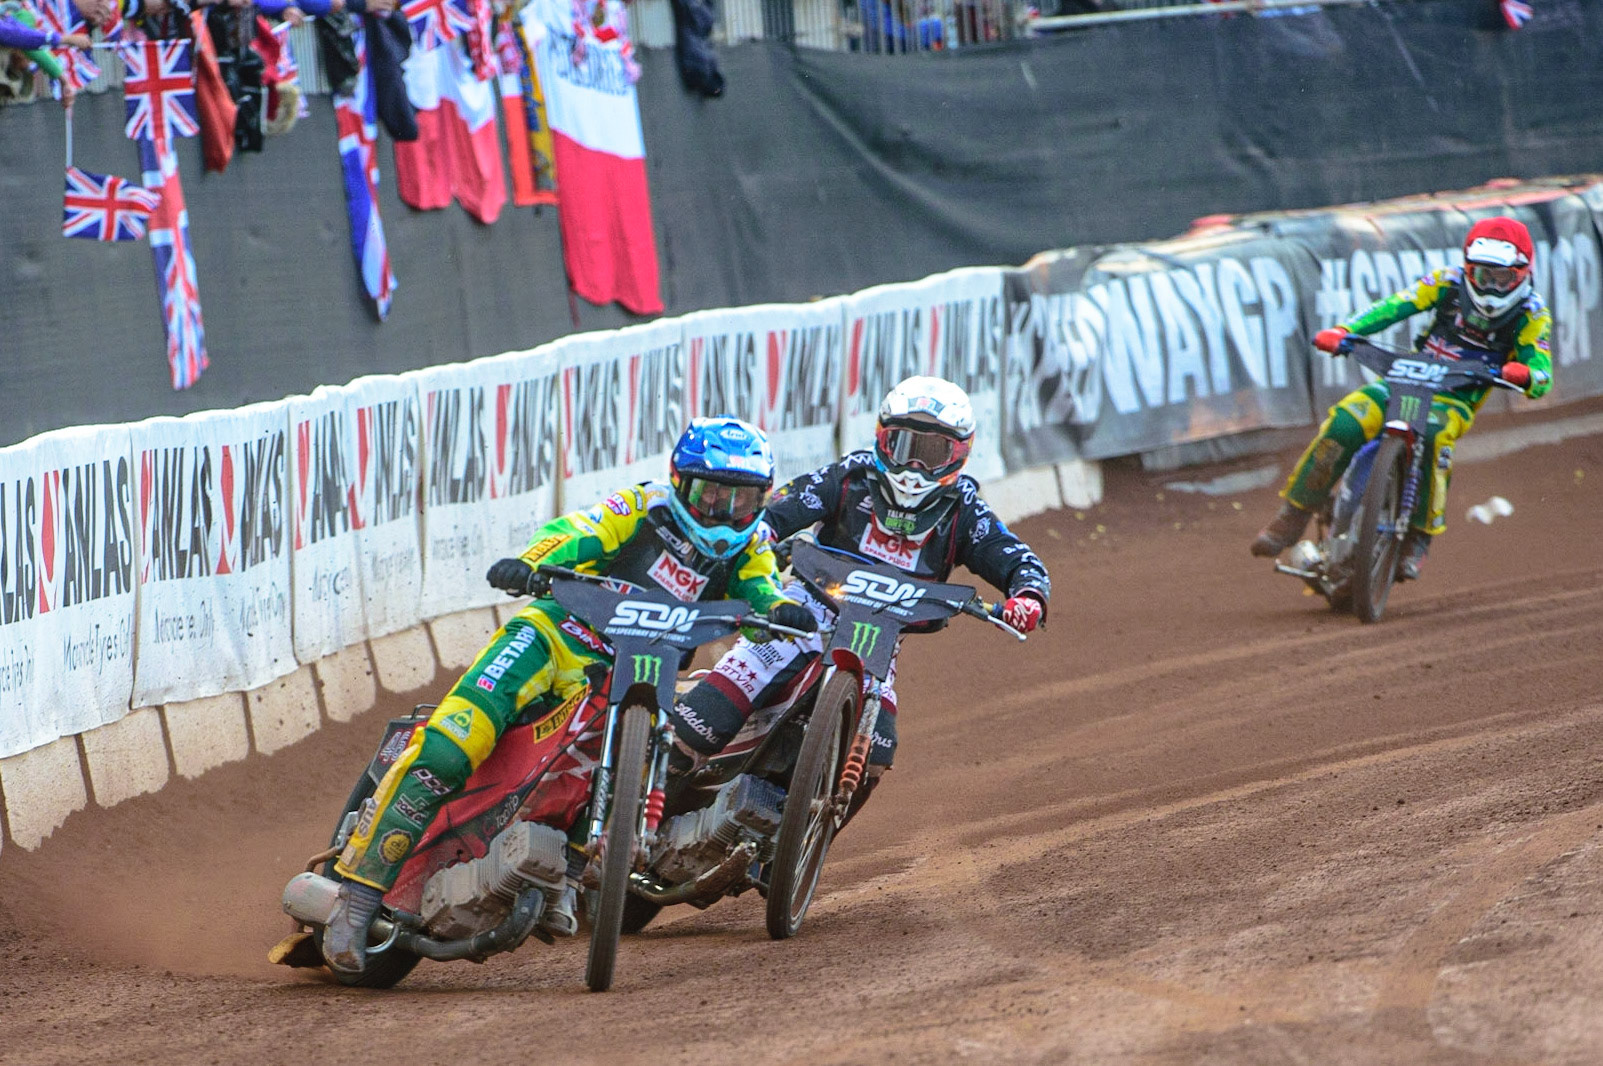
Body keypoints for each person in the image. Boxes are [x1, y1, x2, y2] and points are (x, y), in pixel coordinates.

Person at [322, 417, 817, 974]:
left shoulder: (749, 545)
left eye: (742, 498)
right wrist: (533, 563)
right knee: (449, 748)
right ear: (680, 483)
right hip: (555, 638)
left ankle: (569, 872)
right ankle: (357, 897)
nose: (725, 512)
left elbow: (763, 591)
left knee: (636, 767)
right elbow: (575, 530)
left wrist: (779, 611)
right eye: (711, 494)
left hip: (637, 672)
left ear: (762, 499)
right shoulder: (643, 507)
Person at [669, 376, 1051, 802]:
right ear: (881, 440)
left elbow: (1016, 558)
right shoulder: (850, 476)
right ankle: (639, 819)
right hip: (808, 609)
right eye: (904, 447)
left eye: (931, 454)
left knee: (876, 753)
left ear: (958, 454)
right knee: (708, 714)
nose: (914, 468)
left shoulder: (964, 509)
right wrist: (761, 545)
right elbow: (777, 511)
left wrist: (1028, 596)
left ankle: (803, 850)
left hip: (878, 638)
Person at [1251, 216, 1553, 578]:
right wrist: (1346, 331)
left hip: (1453, 400)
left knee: (1432, 434)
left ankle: (1418, 537)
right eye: (1482, 275)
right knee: (1347, 420)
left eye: (1501, 277)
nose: (1490, 286)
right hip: (1407, 378)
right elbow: (1396, 306)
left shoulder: (1532, 314)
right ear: (1468, 268)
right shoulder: (1446, 283)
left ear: (1521, 274)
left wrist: (1527, 374)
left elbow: (1541, 369)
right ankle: (1295, 512)